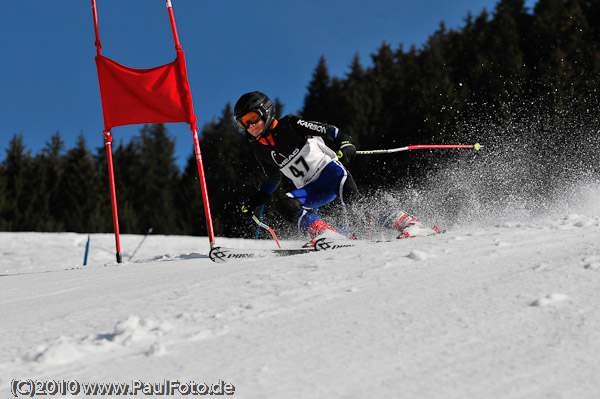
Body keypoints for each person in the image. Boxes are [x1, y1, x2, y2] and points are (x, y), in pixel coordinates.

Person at [233, 91, 437, 242]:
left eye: (252, 118)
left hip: (330, 172)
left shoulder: (290, 124)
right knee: (284, 204)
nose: (250, 126)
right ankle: (325, 235)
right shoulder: (261, 151)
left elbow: (330, 131)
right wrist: (256, 199)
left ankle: (411, 224)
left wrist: (345, 143)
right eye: (243, 123)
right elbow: (272, 179)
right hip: (312, 189)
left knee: (357, 205)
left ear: (266, 112)